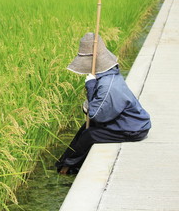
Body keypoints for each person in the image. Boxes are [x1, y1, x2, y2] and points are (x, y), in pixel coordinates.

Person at [55, 32, 151, 175]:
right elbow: (95, 110)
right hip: (125, 122)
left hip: (133, 129)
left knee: (90, 135)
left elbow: (96, 115)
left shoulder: (107, 86)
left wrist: (90, 87)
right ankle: (62, 163)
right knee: (85, 129)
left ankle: (67, 168)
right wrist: (93, 86)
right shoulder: (107, 76)